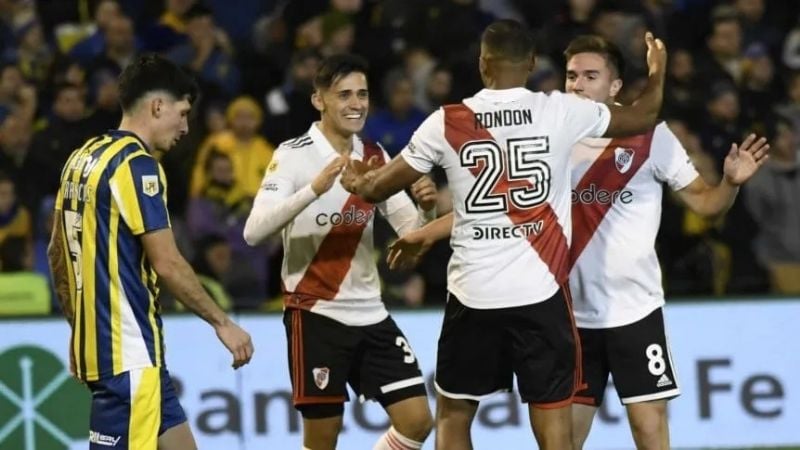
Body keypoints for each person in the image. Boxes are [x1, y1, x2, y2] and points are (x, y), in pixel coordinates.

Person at [340, 19, 668, 450]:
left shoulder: (447, 121)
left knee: (455, 416)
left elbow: (377, 188)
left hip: (473, 294)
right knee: (554, 425)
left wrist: (358, 181)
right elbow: (644, 115)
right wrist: (657, 70)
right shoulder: (560, 109)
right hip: (541, 295)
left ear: (482, 64)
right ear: (531, 64)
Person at [563, 35, 767, 450]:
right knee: (564, 438)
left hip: (635, 311)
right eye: (571, 77)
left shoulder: (652, 138)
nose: (577, 86)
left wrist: (729, 182)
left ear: (615, 87)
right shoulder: (551, 139)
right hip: (571, 315)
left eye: (589, 76)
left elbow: (707, 204)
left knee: (650, 431)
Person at [47, 54, 254, 450]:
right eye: (183, 112)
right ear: (158, 106)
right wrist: (222, 322)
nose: (186, 127)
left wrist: (79, 329)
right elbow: (168, 263)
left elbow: (60, 250)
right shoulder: (138, 166)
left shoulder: (82, 158)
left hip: (117, 351)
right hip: (130, 358)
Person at [243, 54, 436, 450]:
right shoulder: (293, 154)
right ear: (319, 100)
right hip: (316, 314)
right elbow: (254, 232)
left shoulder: (374, 156)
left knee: (417, 421)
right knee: (322, 440)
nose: (356, 103)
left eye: (362, 94)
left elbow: (411, 235)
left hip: (371, 312)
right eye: (344, 94)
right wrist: (314, 188)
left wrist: (428, 207)